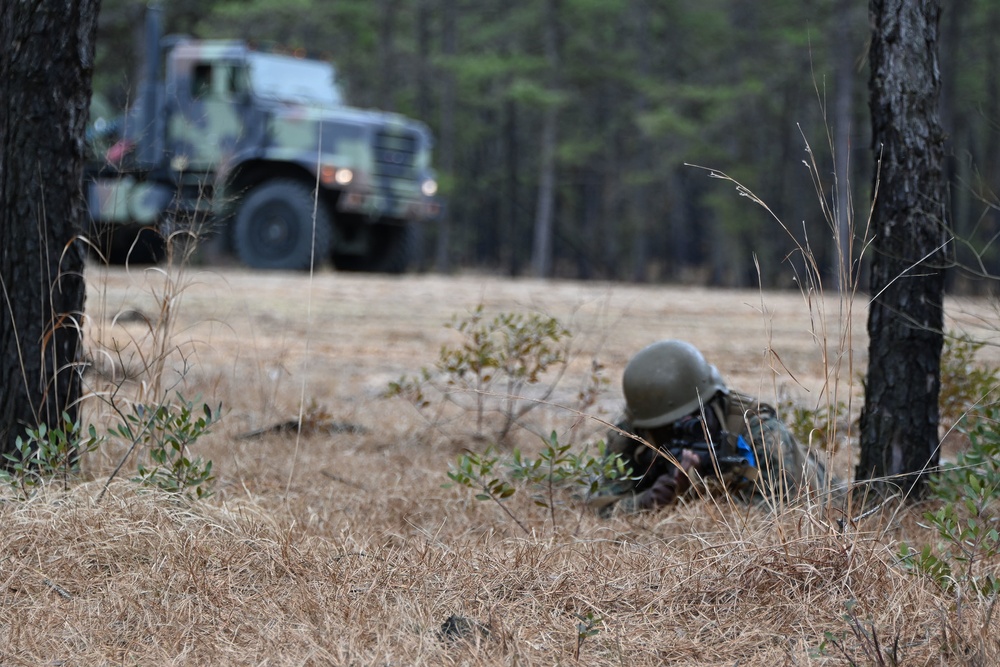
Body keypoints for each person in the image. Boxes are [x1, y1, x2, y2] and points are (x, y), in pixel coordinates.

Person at [593, 339, 833, 514]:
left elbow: (785, 512)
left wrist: (706, 498)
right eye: (667, 428)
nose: (684, 430)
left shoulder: (760, 431)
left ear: (711, 400)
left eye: (694, 418)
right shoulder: (634, 433)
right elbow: (602, 506)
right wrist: (648, 501)